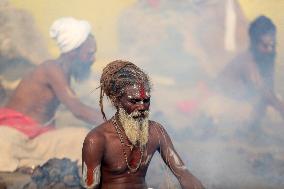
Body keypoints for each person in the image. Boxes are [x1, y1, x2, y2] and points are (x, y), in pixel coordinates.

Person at [82, 60, 205, 189]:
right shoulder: (96, 139)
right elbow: (90, 186)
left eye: (146, 101)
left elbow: (184, 174)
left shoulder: (156, 131)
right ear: (116, 100)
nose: (142, 107)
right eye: (134, 101)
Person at [0, 17, 102, 138]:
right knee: (81, 136)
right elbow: (78, 110)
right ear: (72, 52)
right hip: (15, 131)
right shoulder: (52, 69)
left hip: (35, 132)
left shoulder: (63, 73)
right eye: (89, 54)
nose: (93, 59)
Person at [217, 15, 284, 129]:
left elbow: (269, 87)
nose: (270, 50)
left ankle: (253, 129)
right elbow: (263, 91)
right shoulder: (247, 60)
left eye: (273, 45)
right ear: (254, 43)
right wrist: (281, 108)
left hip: (244, 102)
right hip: (222, 104)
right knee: (262, 97)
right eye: (265, 45)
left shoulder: (267, 57)